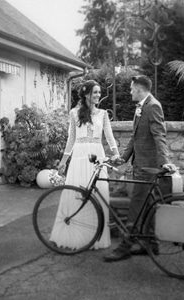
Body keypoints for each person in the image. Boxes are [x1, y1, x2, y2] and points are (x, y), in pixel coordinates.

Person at [103, 75, 174, 262]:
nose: (130, 91)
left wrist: (164, 160)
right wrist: (123, 158)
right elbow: (135, 138)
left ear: (141, 89)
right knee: (147, 205)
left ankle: (125, 247)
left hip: (147, 168)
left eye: (132, 88)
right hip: (140, 165)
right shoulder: (141, 107)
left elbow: (160, 135)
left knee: (136, 206)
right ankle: (150, 245)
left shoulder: (153, 106)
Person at [50, 79, 121, 250]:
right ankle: (76, 236)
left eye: (99, 92)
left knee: (98, 193)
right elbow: (71, 139)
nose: (98, 95)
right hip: (80, 156)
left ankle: (94, 236)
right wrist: (64, 161)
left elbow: (109, 136)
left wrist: (116, 153)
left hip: (97, 155)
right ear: (86, 94)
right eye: (95, 92)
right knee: (77, 193)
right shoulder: (74, 113)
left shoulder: (103, 114)